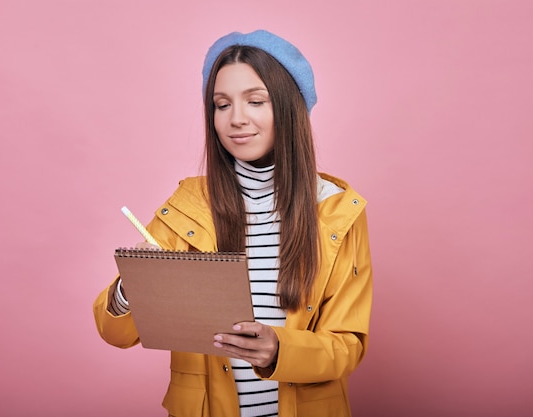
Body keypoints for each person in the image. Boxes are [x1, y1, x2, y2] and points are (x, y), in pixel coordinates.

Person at [93, 29, 373, 417]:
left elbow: (348, 345)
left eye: (255, 101)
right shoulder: (186, 207)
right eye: (221, 105)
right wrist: (131, 285)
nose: (236, 119)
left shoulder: (337, 211)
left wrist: (279, 349)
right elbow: (115, 333)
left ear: (289, 108)